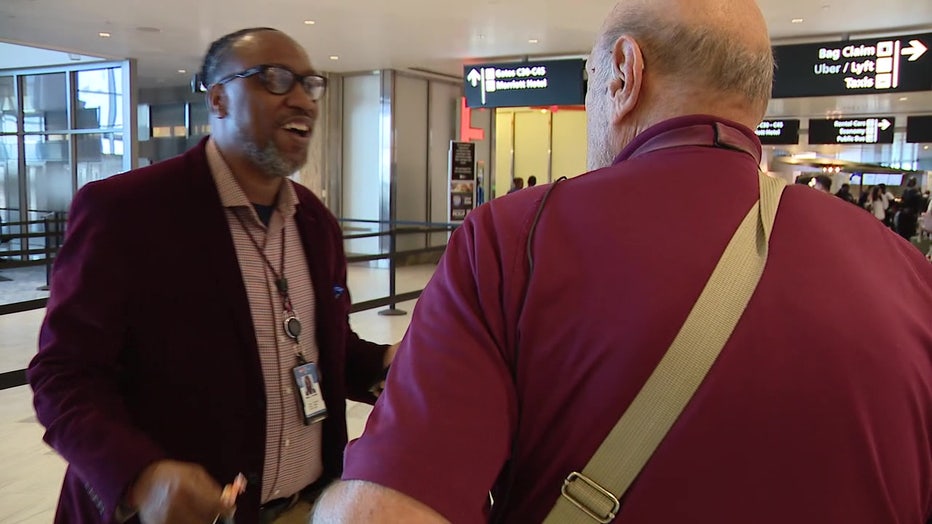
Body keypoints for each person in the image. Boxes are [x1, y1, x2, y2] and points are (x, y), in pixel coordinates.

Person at [312, 0, 932, 523]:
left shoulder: (512, 241)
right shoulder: (910, 278)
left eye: (588, 84)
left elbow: (388, 513)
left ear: (623, 74)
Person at [28, 27, 396, 524]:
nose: (302, 100)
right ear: (218, 98)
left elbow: (323, 348)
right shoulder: (128, 211)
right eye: (276, 79)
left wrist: (389, 365)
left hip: (303, 507)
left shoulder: (313, 221)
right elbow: (63, 375)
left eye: (310, 85)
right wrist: (140, 475)